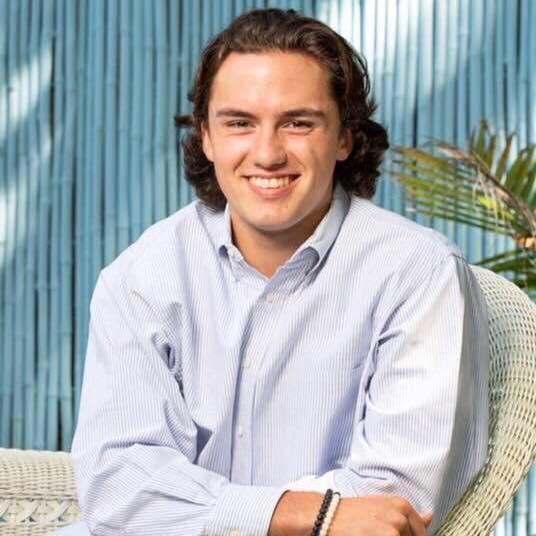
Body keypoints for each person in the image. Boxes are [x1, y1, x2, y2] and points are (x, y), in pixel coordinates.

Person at [57, 8, 489, 536]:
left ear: (345, 137)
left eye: (298, 123)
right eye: (239, 123)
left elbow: (392, 504)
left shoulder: (419, 274)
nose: (267, 154)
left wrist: (193, 509)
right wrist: (303, 515)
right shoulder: (142, 276)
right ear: (207, 137)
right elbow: (116, 483)